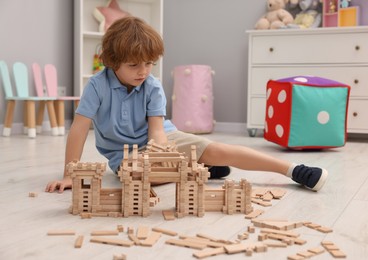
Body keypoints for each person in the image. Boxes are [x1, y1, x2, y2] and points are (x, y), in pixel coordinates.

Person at [45, 16, 327, 193]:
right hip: (124, 154)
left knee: (219, 150)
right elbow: (79, 129)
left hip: (163, 139)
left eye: (149, 63)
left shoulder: (152, 85)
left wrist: (162, 151)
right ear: (111, 61)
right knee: (140, 179)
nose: (143, 71)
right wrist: (70, 174)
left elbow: (157, 130)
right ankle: (200, 168)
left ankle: (292, 170)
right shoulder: (97, 85)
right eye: (134, 65)